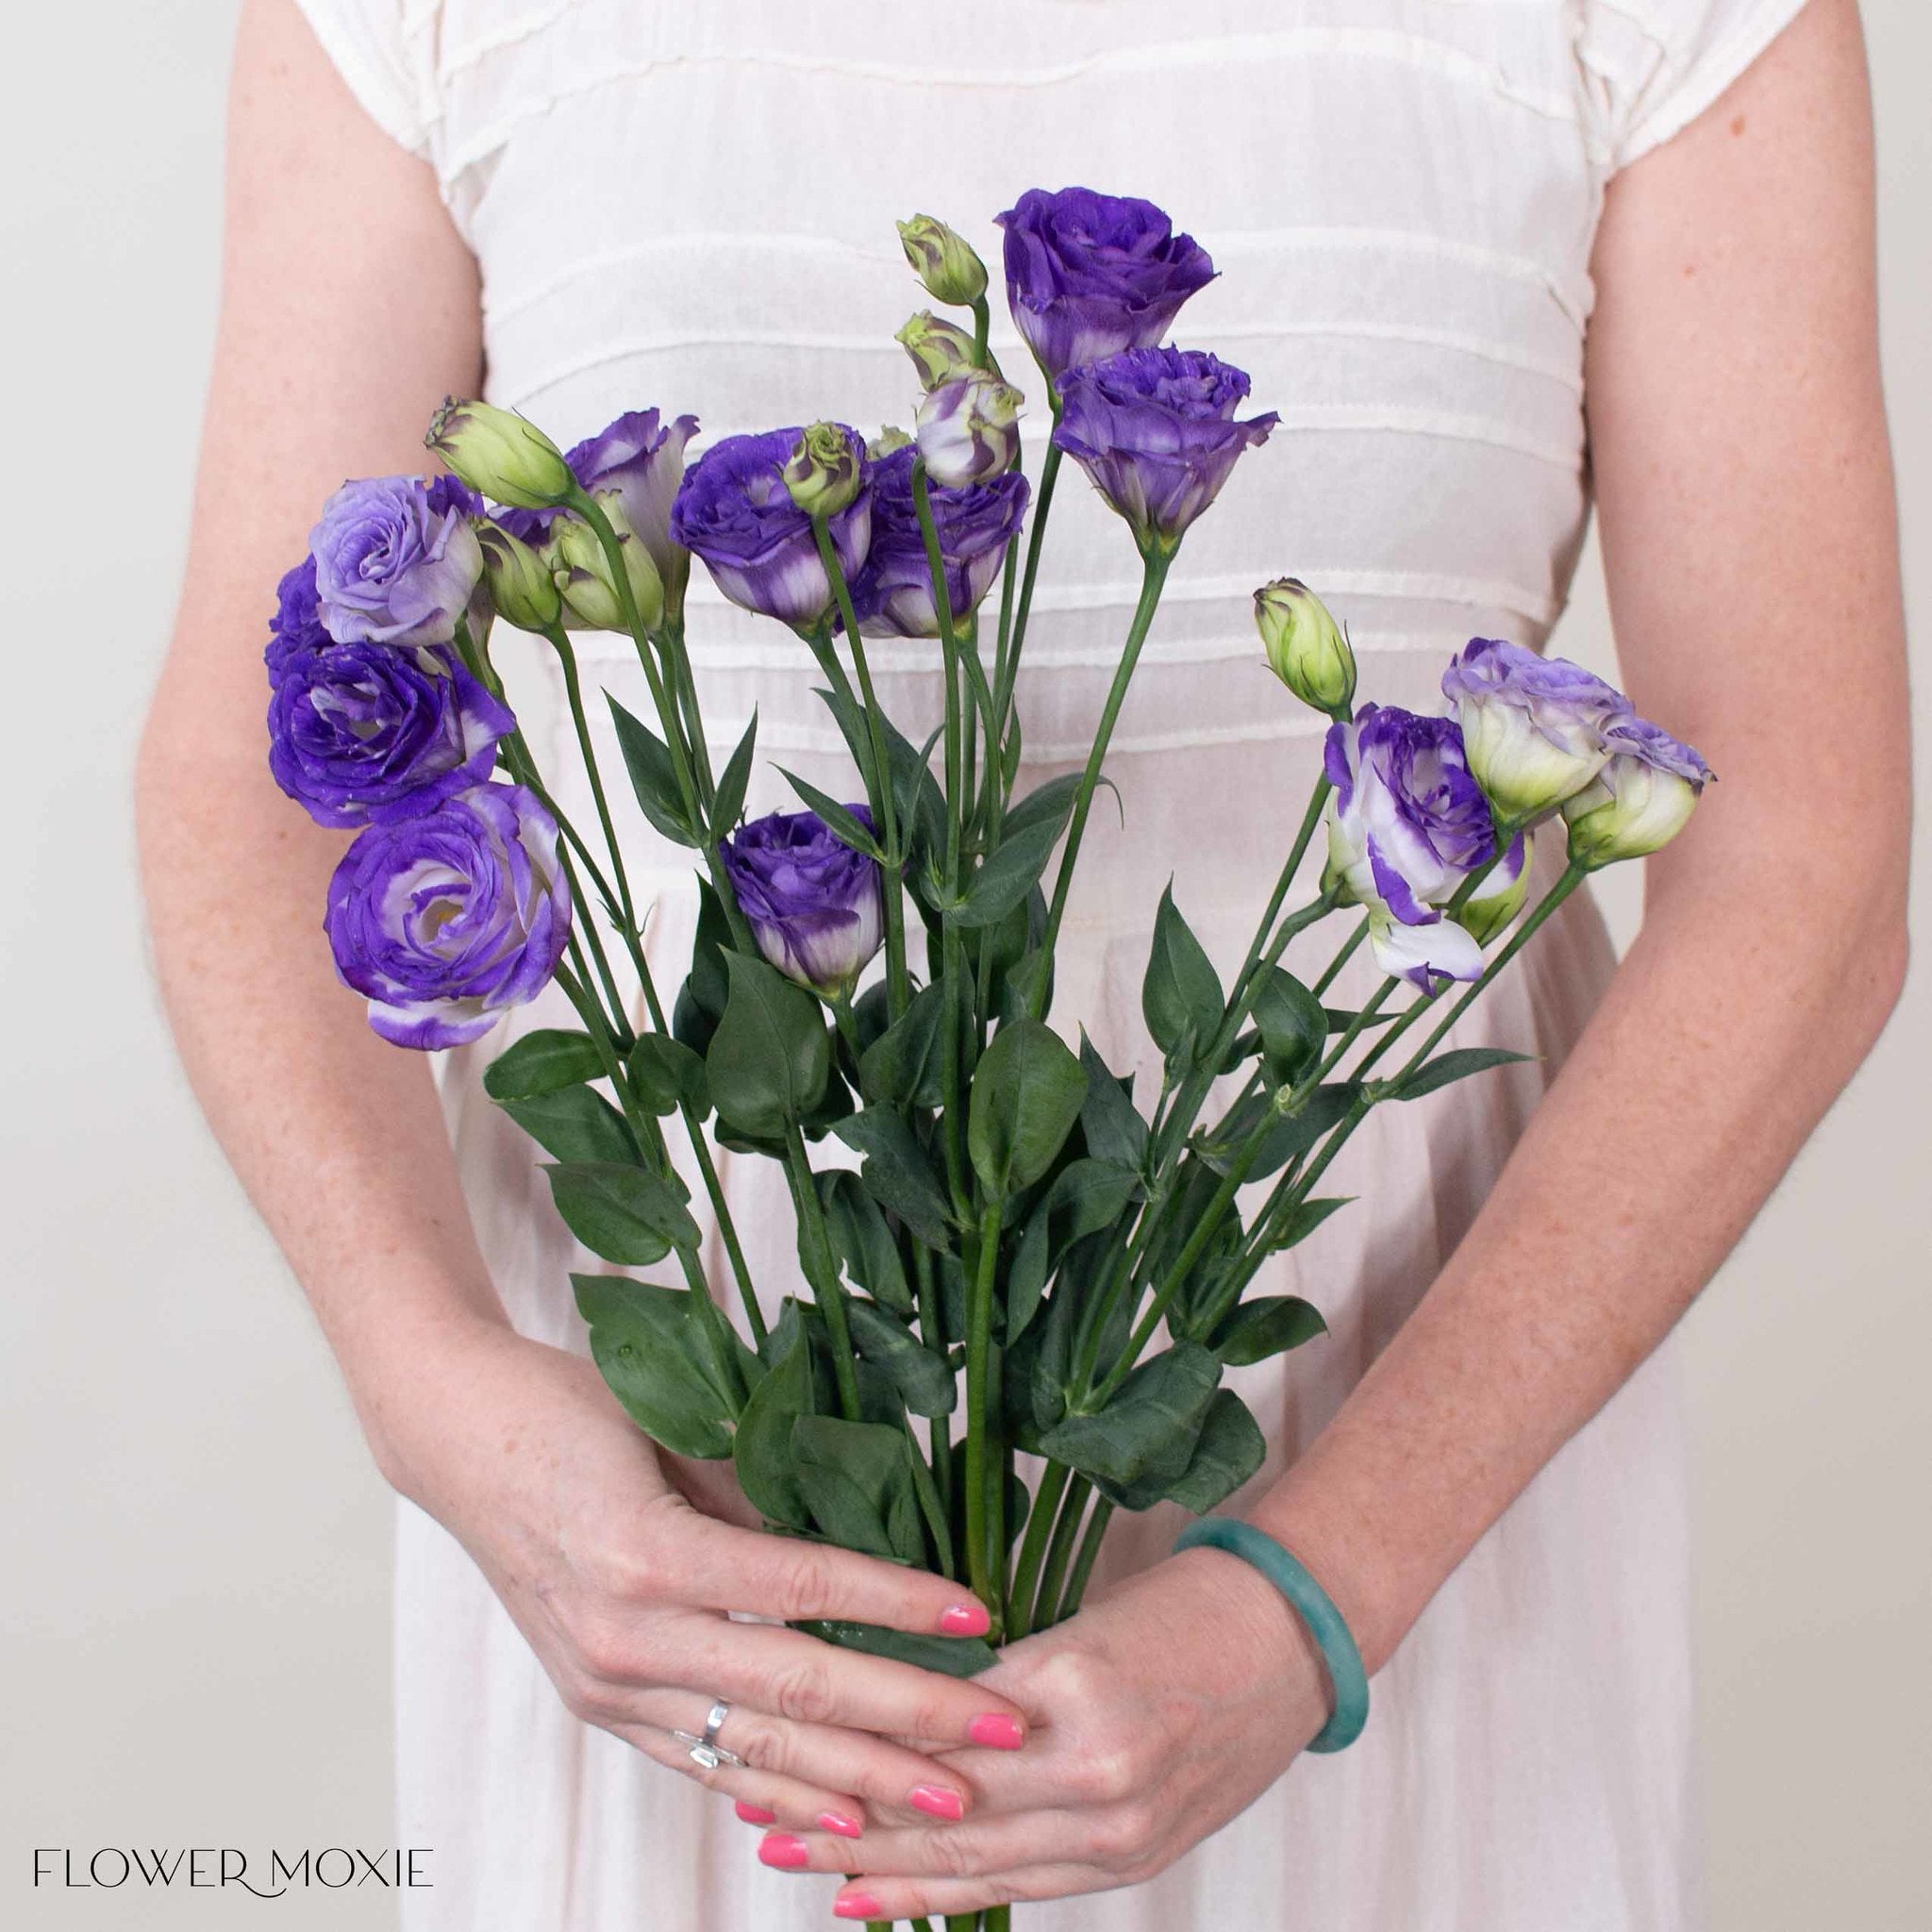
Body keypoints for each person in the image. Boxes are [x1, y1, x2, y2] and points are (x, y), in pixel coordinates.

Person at [138, 2, 1908, 1927]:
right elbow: (262, 778)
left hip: (1400, 1507)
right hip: (684, 1560)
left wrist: (1315, 1586)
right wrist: (435, 1391)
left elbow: (1796, 856)